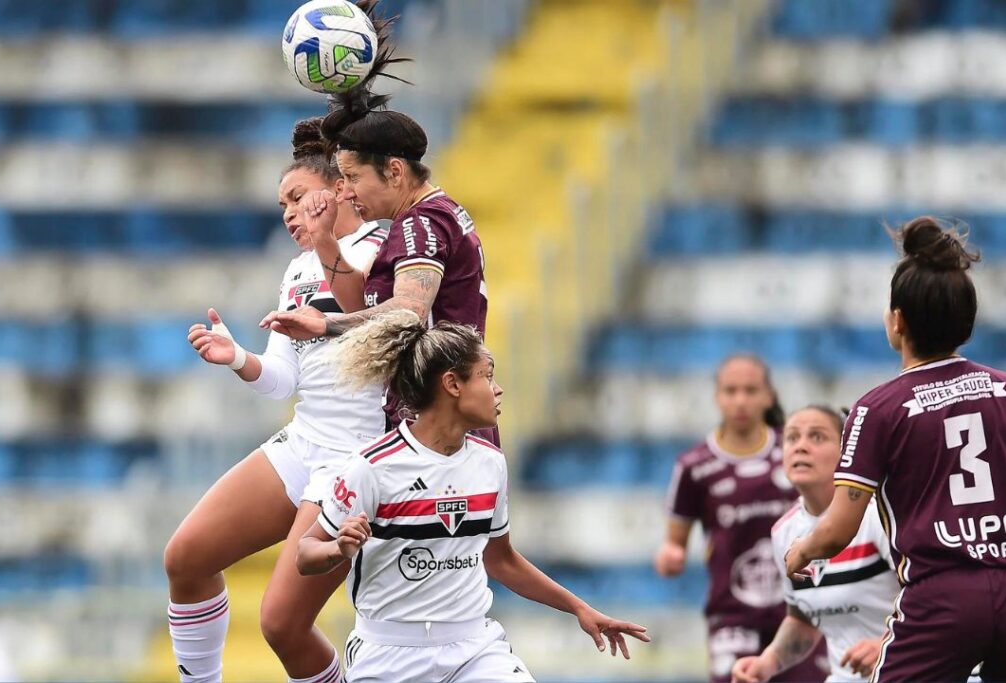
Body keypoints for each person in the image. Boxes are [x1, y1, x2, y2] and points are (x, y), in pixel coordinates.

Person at [295, 310, 650, 682]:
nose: (497, 390)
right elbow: (305, 554)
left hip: (474, 649)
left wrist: (579, 609)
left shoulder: (490, 463)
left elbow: (502, 560)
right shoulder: (370, 467)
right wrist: (338, 549)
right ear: (452, 384)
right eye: (487, 377)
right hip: (387, 654)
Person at [163, 111, 390, 683]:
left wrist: (327, 240)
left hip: (359, 457)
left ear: (339, 187)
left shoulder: (384, 242)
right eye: (281, 206)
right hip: (305, 440)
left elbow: (372, 315)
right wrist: (237, 357)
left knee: (282, 625)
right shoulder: (296, 269)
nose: (288, 213)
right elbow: (283, 381)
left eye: (296, 196)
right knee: (185, 558)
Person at [785, 217, 1006, 682]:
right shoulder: (1004, 390)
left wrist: (801, 551)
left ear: (897, 321)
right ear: (965, 322)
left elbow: (839, 530)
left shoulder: (877, 409)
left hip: (941, 597)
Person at [257, 39, 494, 442]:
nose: (345, 192)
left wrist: (324, 324)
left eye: (352, 178)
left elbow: (408, 311)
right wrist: (326, 239)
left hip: (436, 429)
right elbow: (365, 296)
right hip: (439, 423)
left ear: (396, 171)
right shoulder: (436, 216)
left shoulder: (419, 225)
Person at [653, 354, 827, 683]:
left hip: (800, 608)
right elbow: (674, 542)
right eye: (731, 391)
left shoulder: (794, 453)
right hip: (733, 616)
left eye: (750, 390)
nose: (741, 401)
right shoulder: (694, 466)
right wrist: (670, 556)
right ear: (717, 397)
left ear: (769, 396)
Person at [733, 406, 899, 682]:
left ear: (847, 454)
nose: (801, 447)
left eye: (817, 437)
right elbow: (804, 618)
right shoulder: (784, 532)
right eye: (792, 438)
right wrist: (767, 663)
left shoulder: (879, 516)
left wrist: (888, 643)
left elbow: (936, 597)